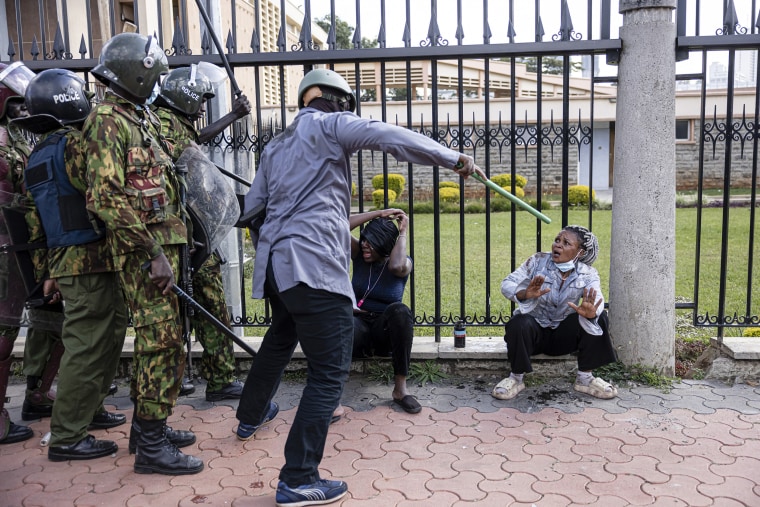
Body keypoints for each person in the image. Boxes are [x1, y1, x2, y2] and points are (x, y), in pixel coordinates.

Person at [236, 68, 483, 507]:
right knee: (330, 372)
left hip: (278, 268)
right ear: (336, 100)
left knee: (280, 337)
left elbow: (253, 209)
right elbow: (387, 135)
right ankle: (298, 478)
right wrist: (452, 158)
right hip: (313, 270)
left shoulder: (275, 146)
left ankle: (250, 416)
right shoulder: (331, 125)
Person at [84, 32, 202, 475]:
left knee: (166, 341)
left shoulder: (140, 118)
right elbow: (105, 197)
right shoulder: (106, 122)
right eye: (152, 75)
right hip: (142, 253)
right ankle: (152, 446)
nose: (157, 83)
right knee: (161, 342)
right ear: (137, 73)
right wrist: (153, 251)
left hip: (161, 249)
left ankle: (147, 427)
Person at [14, 69, 129, 460]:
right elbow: (104, 193)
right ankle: (67, 436)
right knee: (88, 346)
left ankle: (87, 413)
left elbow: (35, 223)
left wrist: (48, 271)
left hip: (69, 260)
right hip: (90, 258)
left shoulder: (38, 154)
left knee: (104, 339)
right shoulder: (74, 146)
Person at [152, 64, 251, 401]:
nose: (204, 106)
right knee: (201, 306)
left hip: (188, 234)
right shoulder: (165, 122)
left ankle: (217, 378)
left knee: (205, 305)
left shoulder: (172, 123)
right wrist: (233, 116)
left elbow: (193, 143)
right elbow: (190, 144)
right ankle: (214, 380)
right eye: (202, 99)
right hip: (175, 238)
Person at [0, 61, 66, 444]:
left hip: (31, 237)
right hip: (6, 246)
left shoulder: (19, 135)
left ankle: (39, 394)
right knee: (4, 336)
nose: (22, 112)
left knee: (55, 319)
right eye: (16, 105)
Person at [492, 225, 618, 401]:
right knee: (519, 321)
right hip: (533, 336)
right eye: (557, 240)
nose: (557, 245)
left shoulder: (588, 273)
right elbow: (507, 283)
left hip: (562, 337)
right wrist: (524, 293)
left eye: (566, 243)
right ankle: (515, 378)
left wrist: (590, 312)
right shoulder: (537, 261)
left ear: (580, 253)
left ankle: (585, 378)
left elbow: (597, 301)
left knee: (599, 317)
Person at [346, 209, 420, 414]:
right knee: (341, 316)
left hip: (384, 333)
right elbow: (339, 226)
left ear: (385, 244)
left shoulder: (404, 263)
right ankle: (332, 393)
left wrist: (403, 231)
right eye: (363, 240)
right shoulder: (359, 256)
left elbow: (396, 266)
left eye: (371, 241)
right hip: (358, 329)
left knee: (400, 311)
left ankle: (400, 389)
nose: (364, 245)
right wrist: (377, 213)